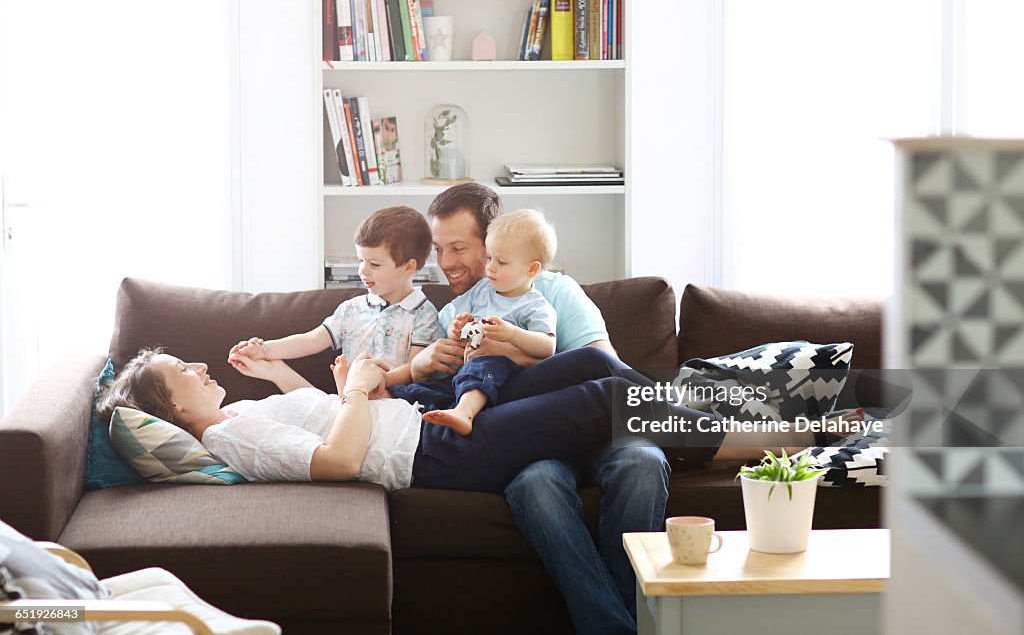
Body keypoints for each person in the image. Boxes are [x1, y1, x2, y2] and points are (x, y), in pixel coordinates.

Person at [407, 183, 666, 635]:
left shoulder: (553, 292)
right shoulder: (455, 310)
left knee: (643, 464)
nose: (446, 263)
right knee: (538, 486)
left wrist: (520, 351)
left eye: (459, 248)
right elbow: (454, 395)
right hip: (529, 448)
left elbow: (606, 370)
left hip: (599, 430)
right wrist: (423, 364)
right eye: (438, 249)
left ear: (494, 241)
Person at [97, 346, 852, 494]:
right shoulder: (228, 436)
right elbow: (333, 462)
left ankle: (694, 425)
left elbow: (321, 422)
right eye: (183, 377)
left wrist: (358, 392)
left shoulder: (244, 414)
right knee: (600, 401)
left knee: (590, 364)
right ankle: (789, 435)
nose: (200, 371)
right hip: (437, 460)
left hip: (426, 423)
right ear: (177, 412)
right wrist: (360, 392)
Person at [392, 208, 560, 436]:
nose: (490, 267)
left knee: (485, 365)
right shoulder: (482, 290)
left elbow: (547, 347)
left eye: (501, 262)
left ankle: (465, 413)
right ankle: (386, 397)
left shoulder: (535, 306)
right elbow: (455, 324)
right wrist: (456, 328)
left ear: (532, 269)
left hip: (500, 375)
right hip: (464, 373)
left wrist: (512, 335)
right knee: (422, 390)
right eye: (490, 257)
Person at [229, 206, 439, 387]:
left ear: (408, 267)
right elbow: (312, 339)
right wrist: (265, 349)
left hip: (395, 405)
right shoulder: (352, 309)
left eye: (374, 264)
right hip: (348, 402)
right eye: (360, 260)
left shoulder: (423, 314)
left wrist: (377, 382)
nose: (363, 271)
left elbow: (415, 368)